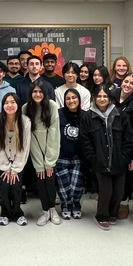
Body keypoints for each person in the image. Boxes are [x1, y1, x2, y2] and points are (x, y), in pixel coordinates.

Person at [80, 85, 133, 230]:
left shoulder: (120, 115)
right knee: (106, 190)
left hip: (118, 160)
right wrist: (94, 158)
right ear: (94, 99)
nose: (102, 99)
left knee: (118, 191)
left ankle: (112, 213)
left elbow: (128, 138)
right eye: (99, 96)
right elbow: (85, 141)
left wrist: (124, 157)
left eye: (105, 96)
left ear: (110, 99)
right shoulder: (88, 116)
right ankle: (102, 215)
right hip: (100, 161)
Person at [22, 81, 61, 226]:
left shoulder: (52, 106)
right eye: (34, 92)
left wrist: (49, 161)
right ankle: (45, 211)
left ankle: (53, 210)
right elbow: (29, 137)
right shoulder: (25, 109)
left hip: (51, 150)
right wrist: (39, 164)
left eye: (40, 92)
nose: (37, 94)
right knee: (41, 180)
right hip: (35, 151)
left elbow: (54, 134)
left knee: (50, 180)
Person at [0, 93, 31, 226]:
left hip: (19, 161)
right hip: (2, 162)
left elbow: (25, 146)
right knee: (4, 187)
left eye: (13, 102)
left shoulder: (25, 121)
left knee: (16, 187)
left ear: (18, 104)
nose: (10, 105)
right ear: (3, 105)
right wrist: (6, 167)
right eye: (6, 102)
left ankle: (18, 213)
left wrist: (15, 169)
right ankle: (5, 213)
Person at [110, 73, 133, 220]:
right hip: (110, 142)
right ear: (121, 82)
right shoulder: (111, 95)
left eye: (132, 83)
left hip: (127, 143)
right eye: (126, 81)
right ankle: (112, 202)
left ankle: (124, 202)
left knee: (126, 174)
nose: (127, 85)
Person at [56, 89, 86, 219]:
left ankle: (76, 205)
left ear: (79, 99)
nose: (71, 101)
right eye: (68, 98)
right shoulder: (58, 114)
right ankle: (66, 206)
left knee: (76, 187)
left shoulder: (85, 115)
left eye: (74, 98)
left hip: (78, 158)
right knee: (64, 186)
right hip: (61, 157)